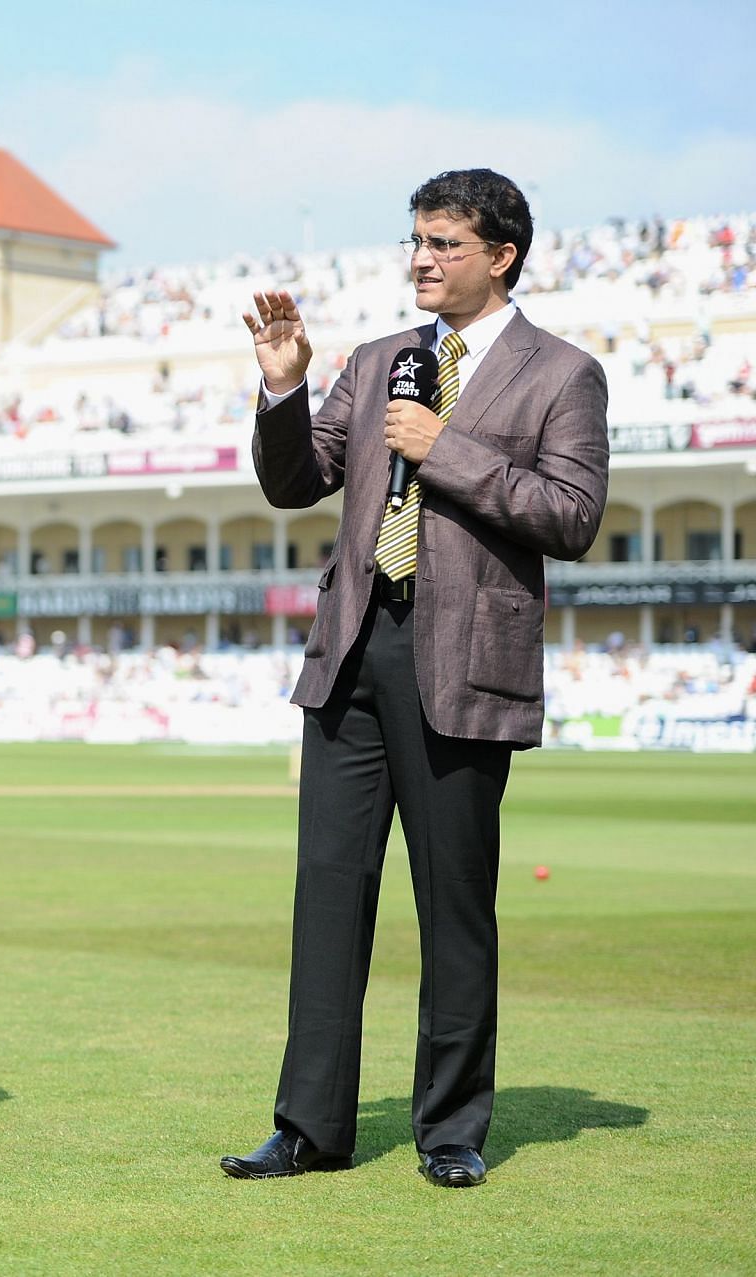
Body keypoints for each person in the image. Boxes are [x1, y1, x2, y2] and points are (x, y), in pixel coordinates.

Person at [221, 170, 608, 1189]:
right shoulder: (377, 358)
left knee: (454, 904)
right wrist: (281, 384)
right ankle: (308, 1126)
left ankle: (450, 1129)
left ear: (501, 254)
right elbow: (292, 481)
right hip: (352, 650)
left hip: (465, 663)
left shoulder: (562, 373)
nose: (422, 259)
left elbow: (571, 516)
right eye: (416, 241)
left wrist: (447, 450)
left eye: (443, 242)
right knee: (328, 898)